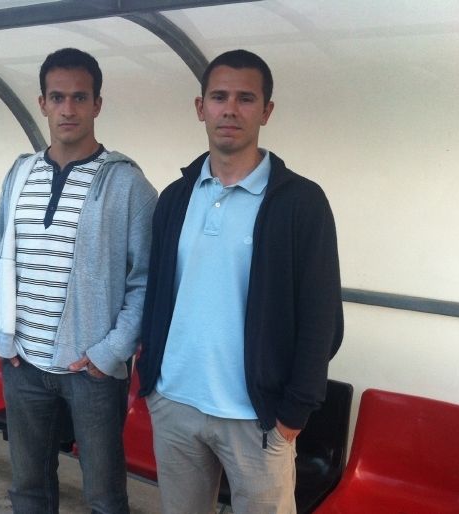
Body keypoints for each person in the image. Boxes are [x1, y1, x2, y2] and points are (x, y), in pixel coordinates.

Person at [138, 49, 344, 514]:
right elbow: (155, 293)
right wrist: (150, 377)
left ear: (267, 111)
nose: (230, 109)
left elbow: (322, 318)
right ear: (200, 107)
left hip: (257, 417)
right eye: (219, 97)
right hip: (174, 403)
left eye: (246, 98)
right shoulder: (175, 198)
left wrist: (293, 413)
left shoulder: (300, 203)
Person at [0, 47, 157, 514]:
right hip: (23, 364)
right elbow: (1, 258)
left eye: (80, 98)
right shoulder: (20, 174)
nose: (68, 109)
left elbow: (147, 282)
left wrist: (109, 353)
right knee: (29, 488)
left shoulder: (127, 186)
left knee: (103, 497)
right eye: (57, 97)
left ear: (98, 104)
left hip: (91, 372)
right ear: (42, 103)